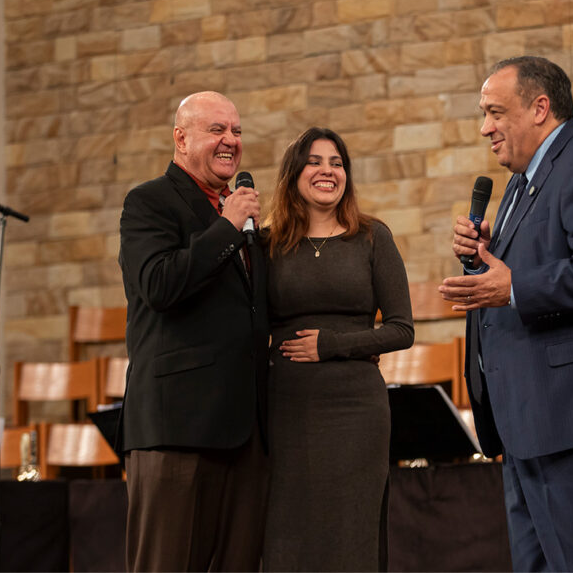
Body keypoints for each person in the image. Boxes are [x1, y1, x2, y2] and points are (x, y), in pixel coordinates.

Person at [439, 56, 573, 571]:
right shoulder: (520, 180)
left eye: (494, 112)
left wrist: (514, 285)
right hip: (529, 421)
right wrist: (486, 257)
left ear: (540, 107)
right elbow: (538, 265)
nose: (484, 128)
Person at [118, 91, 269, 571]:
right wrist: (227, 227)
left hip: (245, 433)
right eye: (216, 130)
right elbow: (159, 286)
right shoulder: (149, 202)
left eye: (237, 131)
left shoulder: (240, 220)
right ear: (181, 139)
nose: (230, 141)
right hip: (176, 430)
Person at [262, 127, 414, 572]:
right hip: (287, 410)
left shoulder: (371, 237)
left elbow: (402, 330)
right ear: (294, 173)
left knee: (352, 537)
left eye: (337, 163)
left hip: (355, 413)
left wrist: (332, 345)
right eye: (315, 161)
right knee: (289, 537)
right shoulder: (269, 244)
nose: (327, 171)